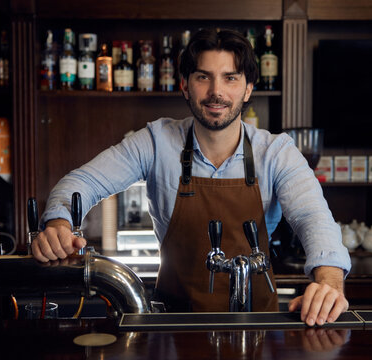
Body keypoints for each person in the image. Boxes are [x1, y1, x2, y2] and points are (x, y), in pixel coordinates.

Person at [32, 28, 351, 326]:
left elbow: (313, 216)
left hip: (256, 325)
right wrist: (58, 223)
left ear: (248, 88)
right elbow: (83, 181)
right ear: (184, 84)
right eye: (203, 77)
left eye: (230, 78)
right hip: (173, 325)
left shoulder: (277, 152)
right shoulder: (156, 141)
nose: (216, 92)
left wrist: (329, 281)